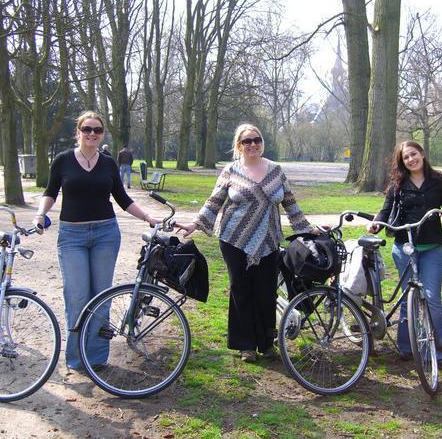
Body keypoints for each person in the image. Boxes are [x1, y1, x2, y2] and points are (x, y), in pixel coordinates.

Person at [33, 111, 162, 371]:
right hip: (72, 236)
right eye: (87, 129)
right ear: (78, 131)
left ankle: (96, 359)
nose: (92, 134)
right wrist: (40, 214)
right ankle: (76, 358)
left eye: (97, 130)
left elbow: (122, 199)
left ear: (102, 134)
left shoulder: (107, 163)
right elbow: (50, 192)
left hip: (105, 234)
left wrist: (148, 217)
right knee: (78, 296)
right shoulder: (63, 161)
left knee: (102, 296)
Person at [180, 123, 319, 363]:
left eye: (256, 140)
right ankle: (245, 345)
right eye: (247, 141)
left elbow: (290, 203)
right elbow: (215, 201)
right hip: (235, 239)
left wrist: (306, 229)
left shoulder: (276, 171)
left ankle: (266, 343)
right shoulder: (231, 171)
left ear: (262, 143)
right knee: (241, 290)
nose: (252, 144)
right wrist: (196, 223)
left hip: (269, 240)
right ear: (239, 146)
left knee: (266, 293)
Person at [367, 140, 442, 370]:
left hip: (432, 249)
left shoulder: (438, 180)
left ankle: (441, 351)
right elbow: (386, 209)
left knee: (431, 299)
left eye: (413, 154)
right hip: (404, 247)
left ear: (422, 154)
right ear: (402, 161)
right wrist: (377, 223)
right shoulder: (398, 183)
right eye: (406, 157)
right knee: (409, 296)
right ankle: (407, 348)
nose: (411, 159)